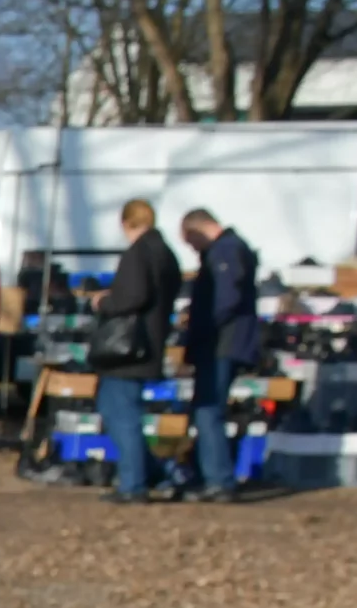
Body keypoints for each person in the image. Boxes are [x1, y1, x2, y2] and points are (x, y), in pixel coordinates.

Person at [93, 200, 183, 505]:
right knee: (123, 410)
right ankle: (152, 472)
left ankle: (134, 484)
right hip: (152, 343)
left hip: (128, 349)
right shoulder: (166, 254)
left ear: (126, 223)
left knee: (120, 413)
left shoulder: (138, 254)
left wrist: (104, 302)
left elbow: (133, 296)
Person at [180, 208, 259, 501]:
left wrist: (203, 325)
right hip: (224, 342)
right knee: (208, 410)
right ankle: (210, 474)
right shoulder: (233, 249)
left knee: (208, 410)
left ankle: (218, 479)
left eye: (191, 242)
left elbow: (226, 298)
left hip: (221, 343)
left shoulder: (226, 251)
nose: (193, 249)